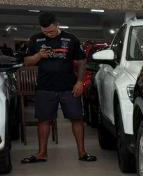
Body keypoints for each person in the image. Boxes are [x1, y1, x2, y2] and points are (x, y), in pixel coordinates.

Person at [20, 12, 96, 163]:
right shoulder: (35, 39)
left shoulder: (71, 38)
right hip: (45, 87)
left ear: (57, 25)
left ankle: (82, 153)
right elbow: (27, 61)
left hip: (69, 87)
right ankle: (42, 153)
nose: (48, 34)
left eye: (51, 31)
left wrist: (80, 82)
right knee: (43, 120)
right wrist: (39, 56)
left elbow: (82, 62)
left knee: (77, 118)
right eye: (45, 32)